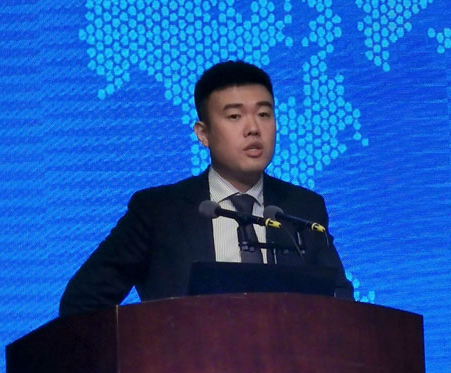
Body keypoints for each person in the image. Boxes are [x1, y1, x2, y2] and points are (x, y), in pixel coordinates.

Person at [59, 60, 353, 317]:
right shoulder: (158, 212)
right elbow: (82, 302)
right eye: (234, 116)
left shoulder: (303, 207)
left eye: (264, 114)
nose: (253, 128)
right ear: (203, 134)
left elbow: (341, 304)